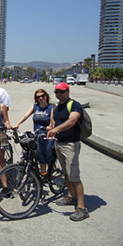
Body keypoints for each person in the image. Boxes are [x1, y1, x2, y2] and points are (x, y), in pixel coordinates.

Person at [47, 82, 89, 221]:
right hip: (59, 143)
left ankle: (82, 208)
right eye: (57, 92)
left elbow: (72, 121)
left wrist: (56, 130)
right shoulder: (57, 107)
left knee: (74, 176)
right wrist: (50, 129)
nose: (59, 94)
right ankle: (71, 197)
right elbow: (54, 123)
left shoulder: (75, 105)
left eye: (62, 91)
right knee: (66, 173)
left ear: (68, 91)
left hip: (71, 144)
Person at [13, 89, 54, 175]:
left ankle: (49, 174)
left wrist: (50, 127)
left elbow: (53, 121)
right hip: (37, 135)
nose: (41, 98)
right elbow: (26, 115)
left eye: (42, 96)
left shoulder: (51, 108)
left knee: (48, 155)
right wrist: (18, 123)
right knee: (40, 155)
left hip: (47, 135)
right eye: (38, 97)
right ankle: (43, 174)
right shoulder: (35, 106)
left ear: (46, 96)